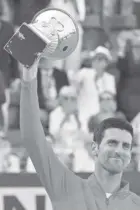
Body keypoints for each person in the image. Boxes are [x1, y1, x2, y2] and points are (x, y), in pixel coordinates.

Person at [20, 59, 140, 210]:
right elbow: (32, 138)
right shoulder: (65, 187)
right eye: (112, 142)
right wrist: (29, 74)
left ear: (130, 156)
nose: (118, 150)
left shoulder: (136, 205)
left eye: (126, 146)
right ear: (94, 148)